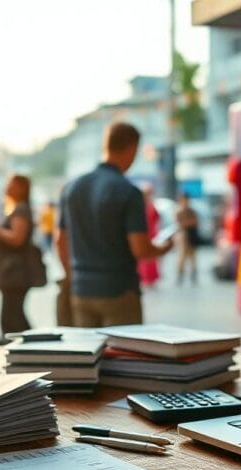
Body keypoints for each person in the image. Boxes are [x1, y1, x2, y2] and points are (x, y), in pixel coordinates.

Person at [55, 122, 173, 327]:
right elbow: (140, 249)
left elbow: (60, 241)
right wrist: (165, 247)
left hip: (82, 291)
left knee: (88, 354)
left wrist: (73, 276)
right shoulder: (129, 192)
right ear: (131, 149)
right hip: (119, 291)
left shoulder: (72, 188)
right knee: (122, 356)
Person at [0, 175, 35, 334]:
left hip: (15, 273)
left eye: (10, 184)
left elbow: (16, 238)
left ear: (21, 188)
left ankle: (32, 349)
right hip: (13, 272)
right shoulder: (16, 208)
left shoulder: (20, 209)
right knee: (14, 317)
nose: (6, 188)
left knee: (11, 319)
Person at [137, 184, 161, 288]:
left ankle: (150, 277)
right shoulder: (140, 206)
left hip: (152, 233)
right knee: (145, 257)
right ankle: (145, 277)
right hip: (145, 233)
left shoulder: (150, 205)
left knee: (151, 257)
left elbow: (156, 217)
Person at [175, 194, 200, 284]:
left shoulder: (191, 211)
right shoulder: (179, 211)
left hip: (191, 235)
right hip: (183, 236)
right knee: (182, 256)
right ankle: (180, 275)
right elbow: (179, 224)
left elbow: (196, 222)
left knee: (192, 256)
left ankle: (193, 275)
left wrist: (187, 223)